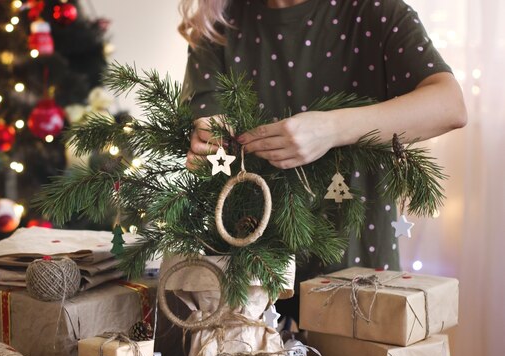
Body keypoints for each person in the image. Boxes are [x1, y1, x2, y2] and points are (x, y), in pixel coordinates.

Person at [178, 0, 467, 322]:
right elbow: (208, 120)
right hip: (246, 272)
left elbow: (449, 105)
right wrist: (208, 134)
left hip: (355, 265)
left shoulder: (375, 10)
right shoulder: (218, 24)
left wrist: (331, 128)